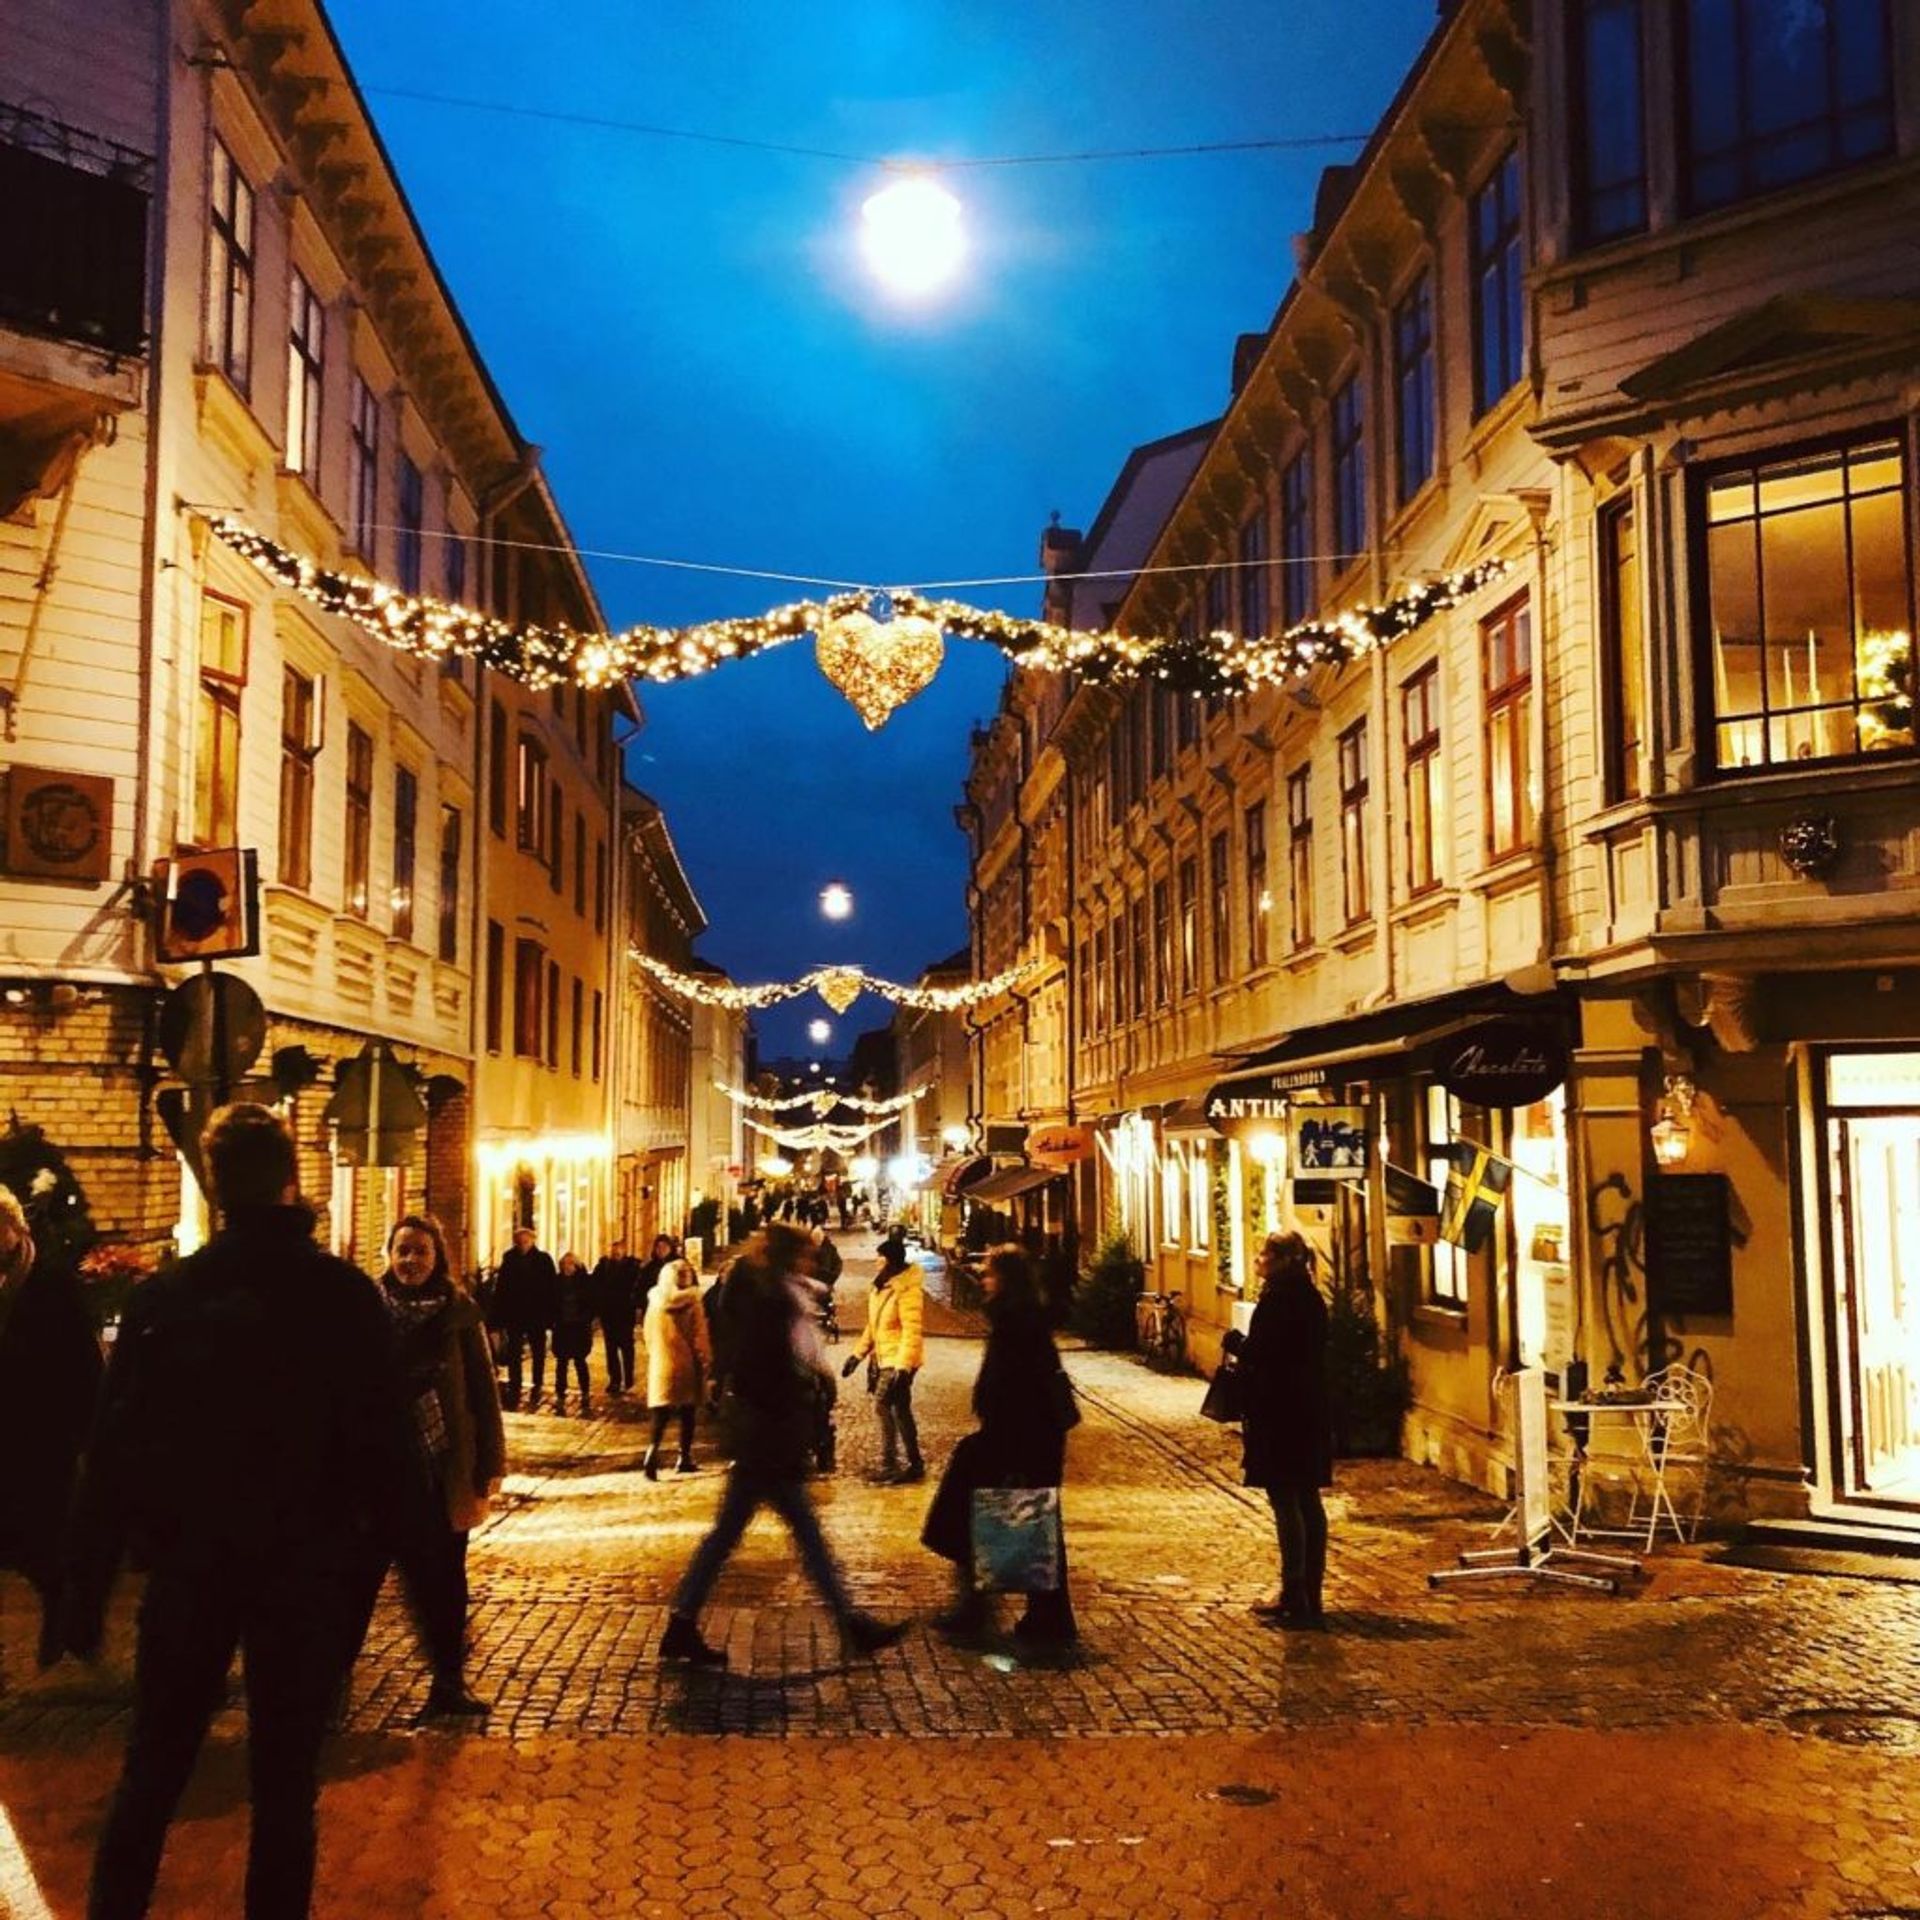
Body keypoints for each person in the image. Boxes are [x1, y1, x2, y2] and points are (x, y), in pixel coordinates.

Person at [63, 1103, 416, 1920]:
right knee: (285, 1790)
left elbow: (111, 1451)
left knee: (152, 1773)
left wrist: (83, 1587)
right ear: (291, 1174)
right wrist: (431, 1599)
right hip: (300, 1575)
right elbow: (388, 1452)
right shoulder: (339, 1295)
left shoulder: (167, 1299)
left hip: (190, 1571)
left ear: (214, 1185)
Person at [661, 1225, 906, 1667]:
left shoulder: (774, 1294)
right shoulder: (771, 1301)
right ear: (791, 1257)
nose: (813, 1262)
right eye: (808, 1256)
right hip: (768, 1436)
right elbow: (765, 1367)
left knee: (746, 1535)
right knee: (797, 1537)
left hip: (766, 1434)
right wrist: (794, 1408)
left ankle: (682, 1623)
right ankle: (851, 1624)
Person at [366, 1214, 504, 1719]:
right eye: (402, 1250)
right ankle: (329, 1682)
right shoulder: (368, 1312)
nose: (410, 1261)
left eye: (420, 1252)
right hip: (379, 1471)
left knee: (446, 1578)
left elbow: (483, 1396)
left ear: (437, 1257)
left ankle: (448, 1683)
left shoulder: (459, 1313)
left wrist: (490, 1463)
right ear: (388, 1254)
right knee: (359, 1579)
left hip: (444, 1468)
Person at [922, 1243, 1077, 1645]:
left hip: (1019, 1436)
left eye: (990, 1272)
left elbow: (1018, 1387)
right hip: (1025, 1436)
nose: (983, 1278)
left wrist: (1006, 1434)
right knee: (1028, 1519)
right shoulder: (1018, 1316)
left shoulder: (1016, 1321)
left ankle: (989, 1610)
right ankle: (1035, 1615)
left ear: (1005, 1279)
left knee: (992, 1514)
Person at [0, 1186, 104, 1669]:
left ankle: (62, 1606)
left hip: (40, 1437)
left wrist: (83, 1434)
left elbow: (82, 1365)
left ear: (15, 1230)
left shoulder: (52, 1286)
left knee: (38, 1545)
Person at [1225, 1230, 1333, 1629]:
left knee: (1286, 1498)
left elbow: (1269, 1353)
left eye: (1265, 1253)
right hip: (1309, 1408)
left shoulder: (1280, 1297)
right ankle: (1310, 1589)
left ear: (1283, 1259)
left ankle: (1295, 1593)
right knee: (1306, 1497)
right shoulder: (1311, 1296)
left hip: (1281, 1411)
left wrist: (1237, 1343)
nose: (1259, 1258)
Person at [841, 1232, 925, 1484]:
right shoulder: (880, 1286)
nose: (876, 1260)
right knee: (900, 1410)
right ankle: (914, 1463)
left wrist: (903, 1366)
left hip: (897, 1359)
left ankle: (891, 1464)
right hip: (883, 1357)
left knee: (883, 1405)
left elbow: (912, 1330)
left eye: (880, 1256)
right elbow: (874, 1326)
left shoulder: (906, 1290)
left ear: (890, 1260)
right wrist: (857, 1355)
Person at [641, 1238, 710, 1478]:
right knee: (688, 1412)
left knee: (660, 1412)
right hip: (687, 1364)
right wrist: (706, 1361)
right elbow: (699, 1336)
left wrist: (656, 1353)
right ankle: (684, 1456)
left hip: (662, 1362)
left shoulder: (656, 1300)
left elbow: (647, 1332)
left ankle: (652, 1452)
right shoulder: (693, 1302)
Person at [492, 1225, 558, 1411]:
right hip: (515, 1312)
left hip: (536, 1313)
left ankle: (537, 1380)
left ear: (532, 1241)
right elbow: (502, 1288)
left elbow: (550, 1288)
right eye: (519, 1242)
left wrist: (550, 1314)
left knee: (538, 1349)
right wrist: (498, 1315)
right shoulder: (510, 1258)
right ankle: (516, 1381)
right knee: (514, 1349)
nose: (522, 1245)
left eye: (525, 1242)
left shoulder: (543, 1260)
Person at [589, 1239, 641, 1397]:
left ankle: (629, 1379)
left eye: (619, 1251)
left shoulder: (633, 1267)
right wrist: (597, 1309)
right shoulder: (603, 1267)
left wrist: (636, 1307)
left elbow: (637, 1288)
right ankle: (615, 1380)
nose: (616, 1254)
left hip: (625, 1313)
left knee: (627, 1347)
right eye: (614, 1251)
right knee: (611, 1348)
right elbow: (595, 1287)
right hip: (608, 1313)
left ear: (624, 1252)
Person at [552, 1252, 595, 1417]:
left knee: (579, 1361)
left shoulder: (584, 1283)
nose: (567, 1268)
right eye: (564, 1264)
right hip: (562, 1327)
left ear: (576, 1266)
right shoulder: (556, 1282)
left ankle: (585, 1391)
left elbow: (590, 1304)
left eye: (570, 1264)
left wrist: (584, 1318)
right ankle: (560, 1393)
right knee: (561, 1362)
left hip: (578, 1327)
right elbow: (551, 1302)